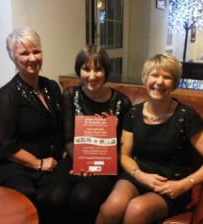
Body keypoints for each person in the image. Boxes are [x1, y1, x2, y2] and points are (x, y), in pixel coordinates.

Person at [96, 53, 203, 224]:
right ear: (145, 78)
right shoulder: (133, 113)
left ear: (175, 83)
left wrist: (185, 184)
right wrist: (140, 175)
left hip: (172, 182)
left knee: (137, 210)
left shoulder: (186, 116)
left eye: (167, 77)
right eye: (154, 75)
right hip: (139, 173)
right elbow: (125, 155)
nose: (159, 82)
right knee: (113, 206)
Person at [0, 27, 65, 224]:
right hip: (14, 163)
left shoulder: (52, 87)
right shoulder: (8, 95)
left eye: (36, 51)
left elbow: (64, 123)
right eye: (24, 53)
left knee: (62, 194)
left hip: (49, 160)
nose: (32, 58)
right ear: (13, 58)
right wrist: (38, 163)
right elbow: (3, 144)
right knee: (26, 194)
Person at [52, 44, 132, 224]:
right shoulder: (70, 95)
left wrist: (114, 129)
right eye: (86, 69)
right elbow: (68, 138)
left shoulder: (122, 102)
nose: (92, 76)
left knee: (83, 198)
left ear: (107, 71)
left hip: (106, 165)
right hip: (75, 159)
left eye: (98, 69)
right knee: (53, 197)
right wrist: (82, 161)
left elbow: (126, 146)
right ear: (79, 71)